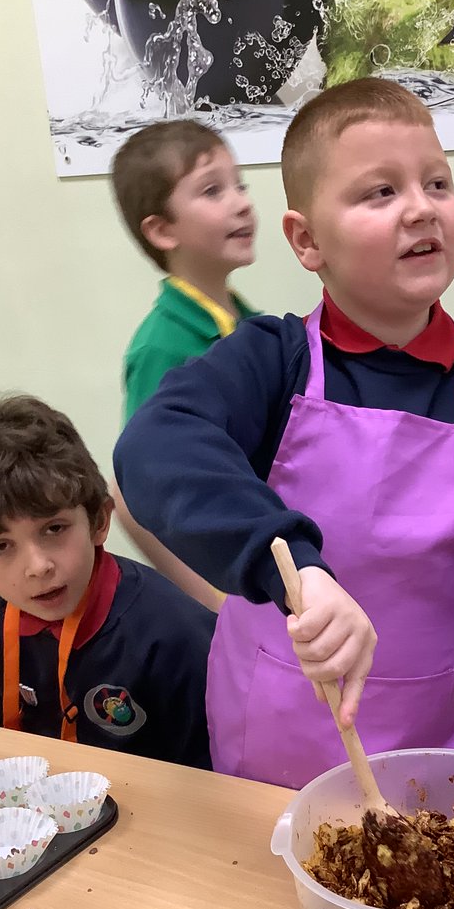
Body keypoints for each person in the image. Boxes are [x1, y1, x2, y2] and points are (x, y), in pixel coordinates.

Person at [114, 78, 454, 795]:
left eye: (437, 182)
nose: (420, 208)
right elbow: (154, 447)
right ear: (307, 240)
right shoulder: (267, 364)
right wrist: (297, 568)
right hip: (284, 752)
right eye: (379, 192)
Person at [0, 395, 215, 768]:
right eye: (0, 546)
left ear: (98, 521)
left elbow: (209, 780)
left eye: (54, 528)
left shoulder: (178, 635)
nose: (38, 566)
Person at [110, 119, 259, 610]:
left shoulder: (257, 328)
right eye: (213, 191)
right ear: (162, 229)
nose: (241, 202)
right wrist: (214, 600)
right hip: (234, 589)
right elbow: (136, 498)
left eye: (240, 186)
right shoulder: (162, 350)